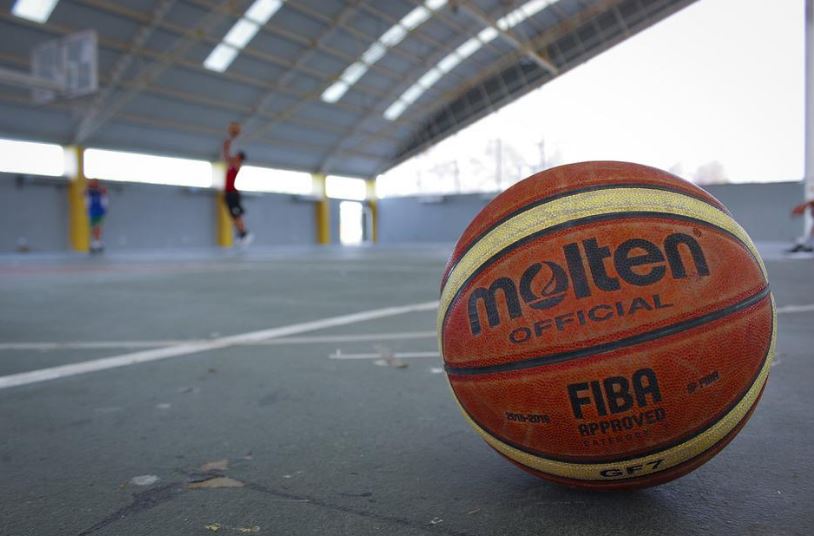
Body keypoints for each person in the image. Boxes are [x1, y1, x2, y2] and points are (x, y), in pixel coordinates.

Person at [223, 123, 253, 246]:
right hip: (229, 194)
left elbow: (228, 156)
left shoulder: (236, 165)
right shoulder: (233, 164)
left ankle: (245, 234)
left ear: (239, 158)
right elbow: (226, 156)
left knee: (237, 215)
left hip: (232, 194)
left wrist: (232, 140)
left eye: (236, 156)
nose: (234, 157)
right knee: (234, 216)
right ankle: (241, 234)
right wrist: (228, 144)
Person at [86, 179, 108, 253]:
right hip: (92, 212)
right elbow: (83, 193)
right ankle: (96, 242)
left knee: (97, 227)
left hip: (99, 212)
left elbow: (104, 195)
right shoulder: (90, 192)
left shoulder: (100, 191)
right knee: (93, 228)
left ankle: (97, 242)